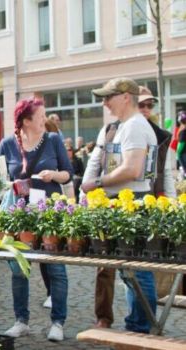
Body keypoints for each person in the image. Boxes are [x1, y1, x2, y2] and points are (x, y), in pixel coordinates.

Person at [81, 78, 157, 333]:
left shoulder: (134, 125)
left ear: (125, 97)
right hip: (125, 202)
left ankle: (141, 330)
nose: (104, 103)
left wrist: (96, 183)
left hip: (132, 203)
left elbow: (132, 169)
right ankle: (139, 327)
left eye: (108, 97)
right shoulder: (128, 125)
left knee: (137, 270)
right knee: (131, 270)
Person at [0, 98, 73, 341]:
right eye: (40, 117)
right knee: (19, 270)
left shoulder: (53, 140)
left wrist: (54, 175)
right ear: (26, 121)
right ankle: (21, 321)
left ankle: (58, 322)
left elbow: (68, 173)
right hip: (19, 217)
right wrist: (11, 187)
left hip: (49, 213)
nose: (44, 120)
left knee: (56, 269)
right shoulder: (7, 144)